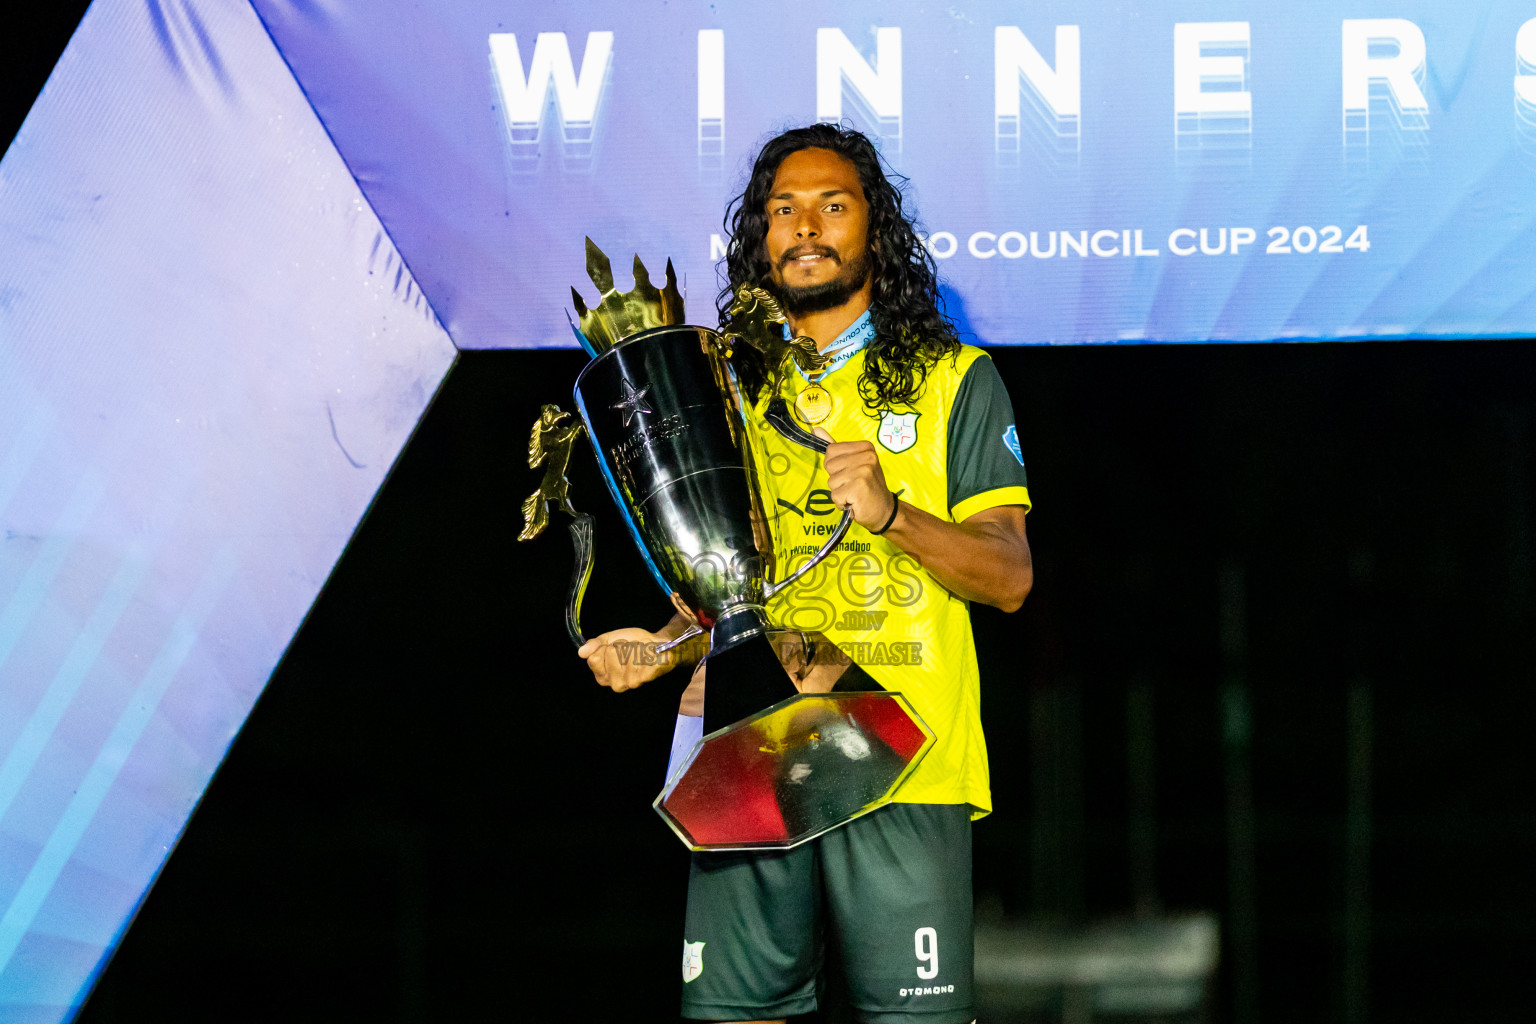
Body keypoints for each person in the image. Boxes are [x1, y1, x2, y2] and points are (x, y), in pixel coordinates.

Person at [576, 123, 1033, 1024]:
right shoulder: (728, 388)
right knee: (738, 1018)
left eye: (833, 205)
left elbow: (1010, 577)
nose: (807, 227)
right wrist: (659, 647)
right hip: (751, 745)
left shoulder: (952, 380)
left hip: (910, 754)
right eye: (784, 210)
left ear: (874, 228)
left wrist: (894, 512)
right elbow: (728, 589)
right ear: (761, 235)